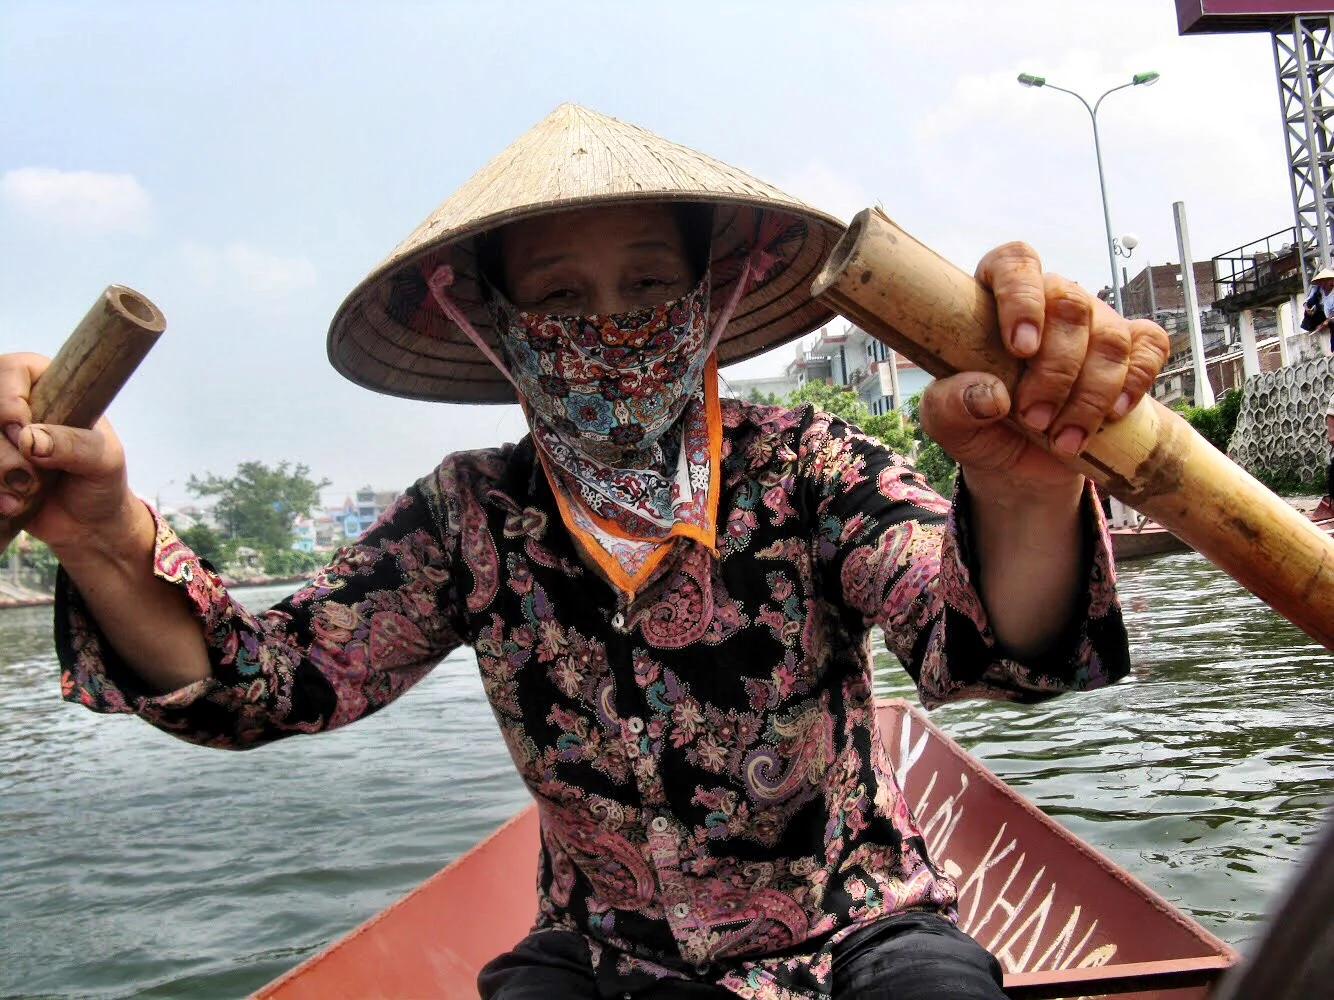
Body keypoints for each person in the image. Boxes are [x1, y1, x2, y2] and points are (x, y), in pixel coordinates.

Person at [0, 104, 1169, 999]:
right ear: (494, 325)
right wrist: (103, 532)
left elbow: (981, 642)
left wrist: (1022, 489)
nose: (609, 325)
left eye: (648, 282)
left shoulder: (807, 465)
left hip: (856, 930)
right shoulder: (468, 517)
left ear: (711, 295)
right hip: (609, 954)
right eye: (558, 296)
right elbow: (271, 679)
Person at [1301, 266, 1334, 353]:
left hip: (1330, 317)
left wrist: (1325, 323)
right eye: (1321, 281)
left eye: (1325, 281)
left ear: (1331, 281)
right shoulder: (1317, 290)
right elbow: (1306, 301)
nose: (1323, 284)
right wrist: (1308, 309)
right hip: (1320, 314)